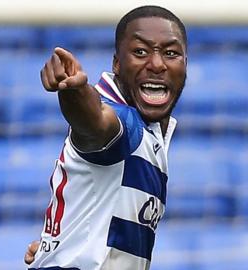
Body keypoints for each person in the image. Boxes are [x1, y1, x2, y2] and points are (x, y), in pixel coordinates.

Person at [24, 5, 187, 270]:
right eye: (140, 52)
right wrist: (73, 91)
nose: (157, 64)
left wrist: (55, 248)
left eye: (171, 53)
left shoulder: (152, 134)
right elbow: (96, 123)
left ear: (185, 64)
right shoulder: (125, 123)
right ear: (117, 64)